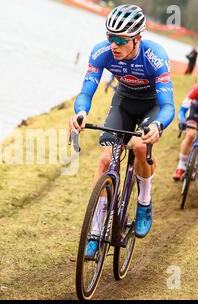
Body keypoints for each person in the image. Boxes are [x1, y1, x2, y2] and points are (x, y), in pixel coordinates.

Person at [68, 4, 175, 257]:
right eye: (110, 37)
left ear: (137, 39)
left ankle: (144, 202)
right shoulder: (102, 52)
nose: (113, 44)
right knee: (105, 159)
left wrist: (158, 126)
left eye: (120, 40)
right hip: (124, 102)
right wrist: (81, 113)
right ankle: (94, 231)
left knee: (139, 147)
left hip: (152, 106)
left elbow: (168, 105)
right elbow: (86, 91)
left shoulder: (155, 56)